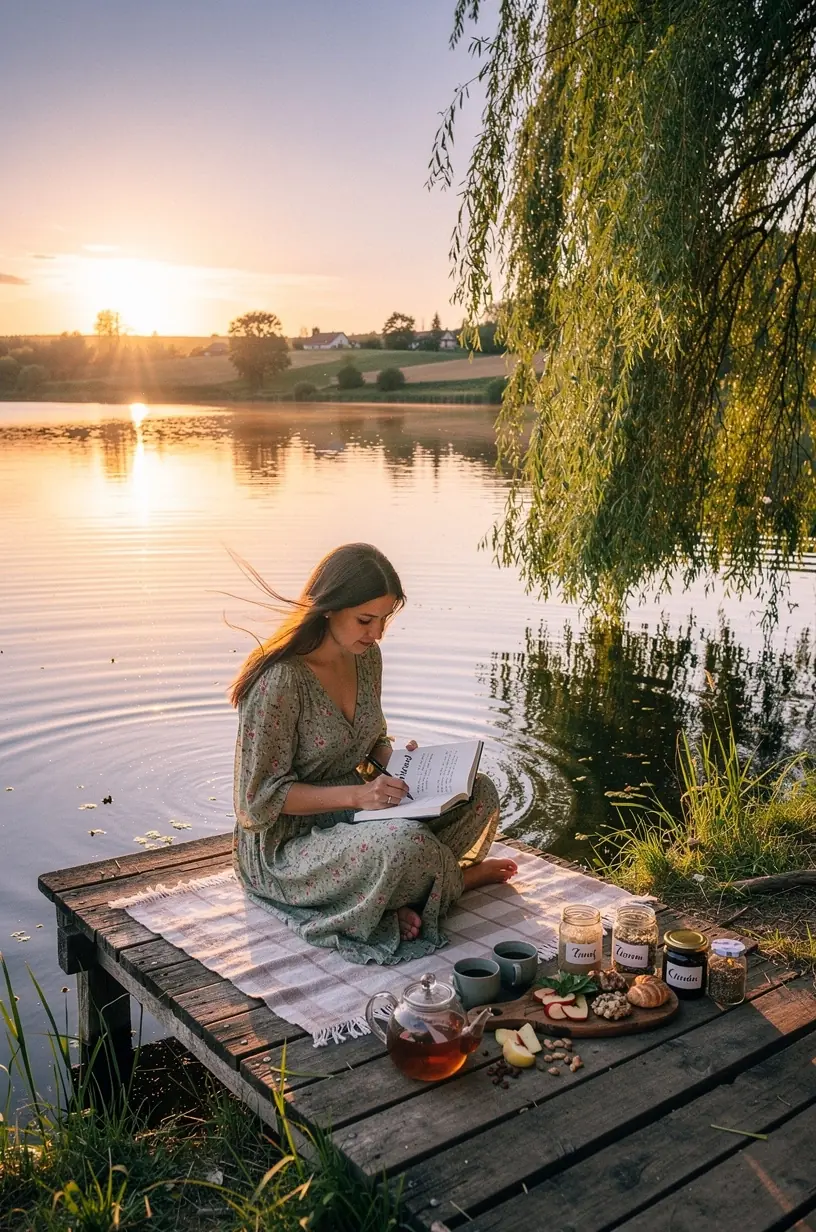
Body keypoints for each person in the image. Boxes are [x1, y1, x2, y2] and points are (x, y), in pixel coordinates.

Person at [230, 542, 517, 964]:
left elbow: (367, 743)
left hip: (358, 818)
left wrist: (398, 760)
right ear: (329, 607)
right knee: (403, 844)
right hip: (287, 846)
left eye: (384, 620)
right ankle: (452, 881)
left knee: (479, 793)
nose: (377, 633)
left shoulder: (367, 658)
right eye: (366, 620)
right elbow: (255, 804)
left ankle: (392, 894)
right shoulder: (281, 682)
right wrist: (357, 796)